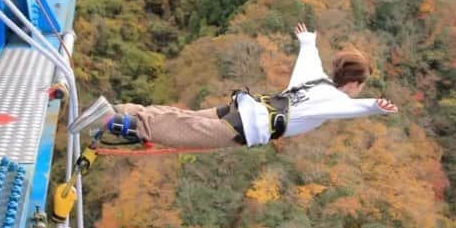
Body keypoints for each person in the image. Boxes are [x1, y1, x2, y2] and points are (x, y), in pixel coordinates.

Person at [71, 23, 398, 150]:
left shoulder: (314, 78)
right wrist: (374, 107)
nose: (358, 92)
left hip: (242, 109)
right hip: (243, 125)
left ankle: (121, 112)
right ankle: (108, 120)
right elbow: (350, 108)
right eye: (360, 87)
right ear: (353, 83)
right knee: (175, 130)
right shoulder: (332, 100)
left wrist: (308, 39)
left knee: (177, 118)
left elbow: (308, 53)